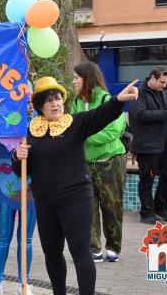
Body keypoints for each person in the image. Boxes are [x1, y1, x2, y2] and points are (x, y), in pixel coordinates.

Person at [13, 76, 139, 295]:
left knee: (80, 252)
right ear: (40, 107)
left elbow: (102, 114)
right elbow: (22, 172)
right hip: (45, 203)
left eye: (57, 98)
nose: (55, 103)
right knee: (52, 253)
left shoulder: (76, 123)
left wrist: (119, 100)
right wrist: (17, 157)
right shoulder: (30, 132)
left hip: (76, 199)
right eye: (49, 100)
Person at [71, 62, 127, 263]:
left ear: (87, 78)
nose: (73, 81)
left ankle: (113, 246)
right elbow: (71, 125)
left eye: (76, 77)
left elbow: (113, 131)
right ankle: (93, 248)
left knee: (112, 206)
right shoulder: (76, 103)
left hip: (110, 162)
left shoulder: (107, 100)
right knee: (89, 207)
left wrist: (84, 135)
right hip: (86, 164)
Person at [0, 105, 36, 295]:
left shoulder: (39, 126)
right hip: (4, 188)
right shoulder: (0, 128)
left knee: (26, 239)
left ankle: (24, 283)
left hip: (31, 189)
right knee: (2, 237)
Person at [129, 66, 167, 224]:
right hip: (147, 145)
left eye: (166, 82)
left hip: (165, 144)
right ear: (152, 78)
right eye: (161, 82)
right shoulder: (138, 94)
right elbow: (141, 114)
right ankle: (146, 212)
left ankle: (161, 207)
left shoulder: (164, 92)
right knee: (147, 178)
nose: (164, 85)